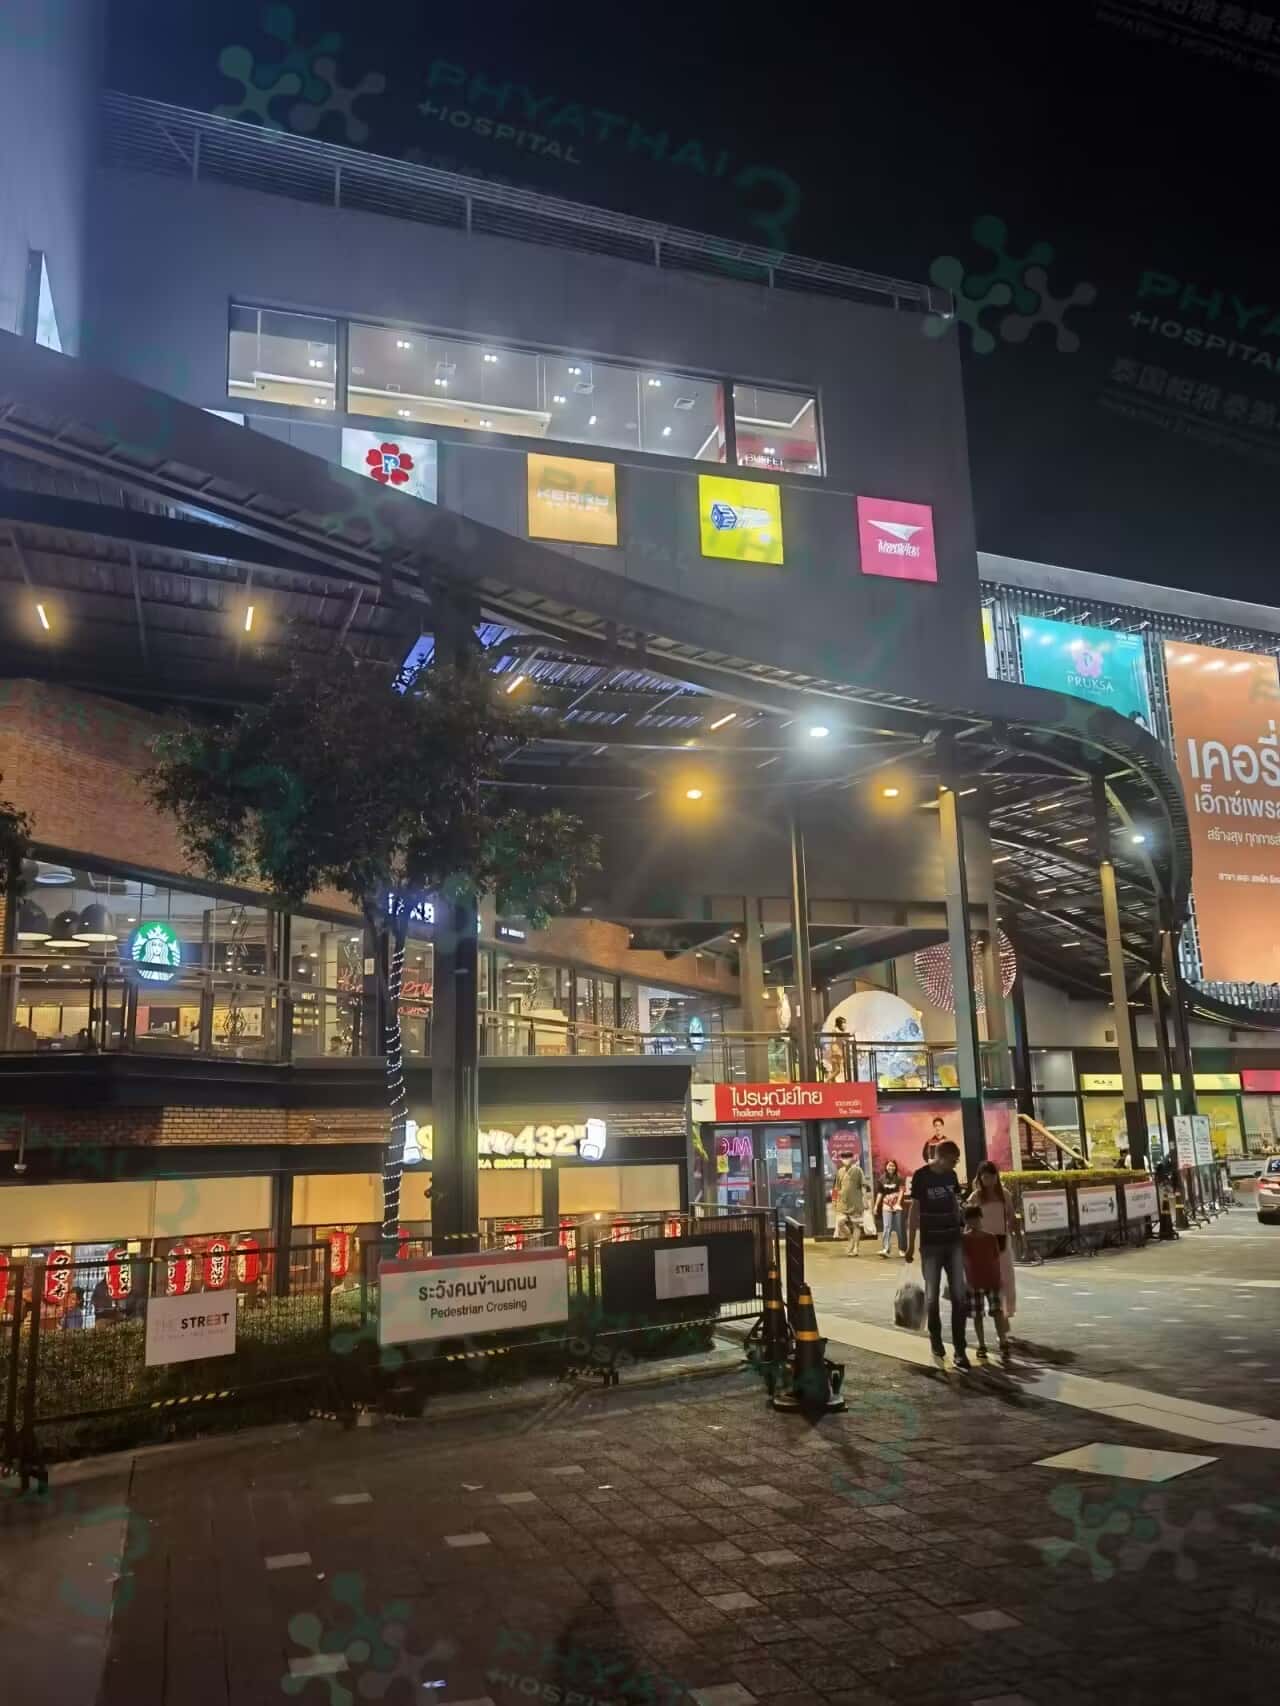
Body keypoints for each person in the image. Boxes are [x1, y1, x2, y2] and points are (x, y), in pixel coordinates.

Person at [905, 1138, 969, 1369]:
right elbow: (914, 1210)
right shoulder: (921, 1176)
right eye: (953, 1160)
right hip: (931, 1244)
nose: (955, 1164)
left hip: (953, 1242)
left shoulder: (951, 1176)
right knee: (932, 1297)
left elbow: (955, 1204)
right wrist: (910, 1244)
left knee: (959, 1296)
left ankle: (960, 1349)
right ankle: (936, 1340)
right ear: (941, 1157)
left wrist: (963, 1228)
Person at [961, 1204, 1008, 1361]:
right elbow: (963, 1261)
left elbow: (996, 1260)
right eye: (970, 1219)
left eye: (976, 1218)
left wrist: (999, 1279)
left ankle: (1002, 1342)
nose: (974, 1222)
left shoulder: (990, 1238)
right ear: (967, 1221)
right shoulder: (965, 1239)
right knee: (979, 1315)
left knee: (995, 1312)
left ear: (980, 1219)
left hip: (988, 1280)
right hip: (975, 1281)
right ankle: (983, 1344)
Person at [834, 1154, 867, 1255]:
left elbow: (863, 1185)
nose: (846, 1160)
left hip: (855, 1203)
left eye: (848, 1158)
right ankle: (850, 1239)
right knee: (840, 1222)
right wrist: (834, 1201)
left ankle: (856, 1248)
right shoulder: (840, 1171)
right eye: (844, 1158)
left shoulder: (858, 1170)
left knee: (856, 1225)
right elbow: (836, 1188)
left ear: (852, 1159)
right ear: (841, 1159)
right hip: (842, 1203)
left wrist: (864, 1198)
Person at [876, 1158, 907, 1259]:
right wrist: (876, 1206)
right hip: (886, 1205)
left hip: (898, 1205)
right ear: (886, 1167)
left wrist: (898, 1203)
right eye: (889, 1165)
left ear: (895, 1167)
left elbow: (902, 1191)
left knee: (900, 1228)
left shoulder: (899, 1178)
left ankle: (902, 1249)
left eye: (893, 1166)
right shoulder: (881, 1179)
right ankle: (886, 1249)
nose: (891, 1167)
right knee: (886, 1227)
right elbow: (880, 1193)